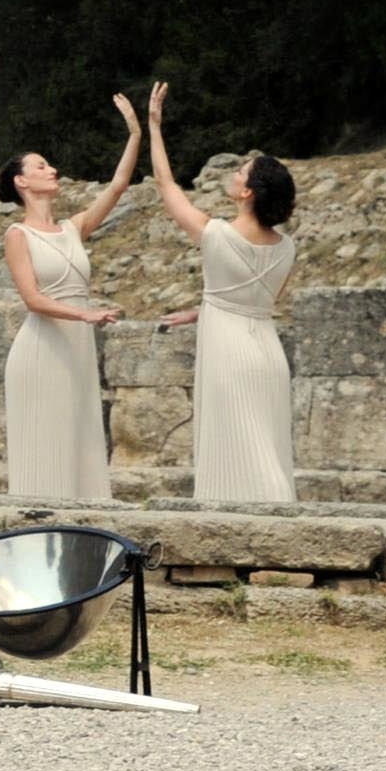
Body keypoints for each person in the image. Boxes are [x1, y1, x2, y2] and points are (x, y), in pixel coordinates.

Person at [143, 84, 299, 502]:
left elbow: (165, 184)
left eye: (241, 172)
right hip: (266, 350)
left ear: (248, 192)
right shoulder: (287, 247)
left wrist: (155, 127)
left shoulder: (216, 235)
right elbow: (257, 298)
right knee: (264, 443)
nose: (233, 173)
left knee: (240, 445)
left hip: (228, 348)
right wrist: (201, 310)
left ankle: (275, 528)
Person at [0, 95, 140, 502]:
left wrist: (136, 132)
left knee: (82, 443)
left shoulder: (74, 228)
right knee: (47, 446)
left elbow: (119, 185)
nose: (52, 169)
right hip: (41, 350)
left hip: (75, 348)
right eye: (40, 165)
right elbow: (33, 300)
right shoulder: (17, 235)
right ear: (22, 182)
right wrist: (84, 314)